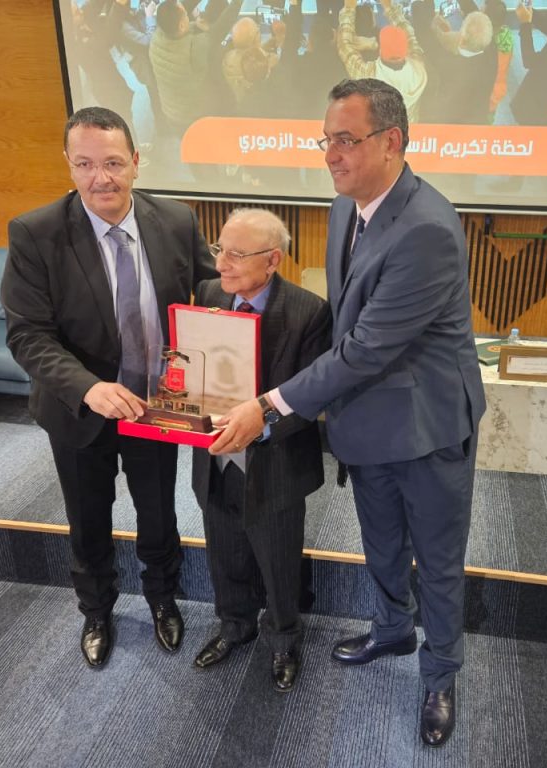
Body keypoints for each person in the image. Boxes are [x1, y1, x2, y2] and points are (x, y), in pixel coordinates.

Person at [210, 78, 486, 747]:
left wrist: (269, 405)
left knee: (437, 562)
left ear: (391, 142)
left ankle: (440, 675)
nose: (330, 154)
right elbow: (344, 327)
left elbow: (363, 349)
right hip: (364, 422)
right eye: (325, 139)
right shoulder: (345, 208)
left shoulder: (427, 229)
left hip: (426, 427)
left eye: (345, 140)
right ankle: (392, 630)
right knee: (382, 543)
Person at [1, 106, 217, 668]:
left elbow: (213, 291)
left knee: (159, 514)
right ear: (68, 165)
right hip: (79, 411)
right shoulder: (36, 233)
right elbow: (27, 334)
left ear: (137, 161)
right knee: (89, 519)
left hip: (156, 407)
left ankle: (163, 598)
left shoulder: (176, 220)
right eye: (85, 164)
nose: (101, 178)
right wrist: (87, 387)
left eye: (114, 163)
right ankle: (97, 609)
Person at [190, 208, 331, 693]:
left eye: (235, 254)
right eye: (219, 249)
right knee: (224, 547)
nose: (221, 264)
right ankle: (235, 625)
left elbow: (310, 399)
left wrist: (260, 428)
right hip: (215, 454)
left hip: (275, 461)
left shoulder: (309, 312)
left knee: (278, 560)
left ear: (272, 260)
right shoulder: (210, 293)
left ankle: (284, 639)